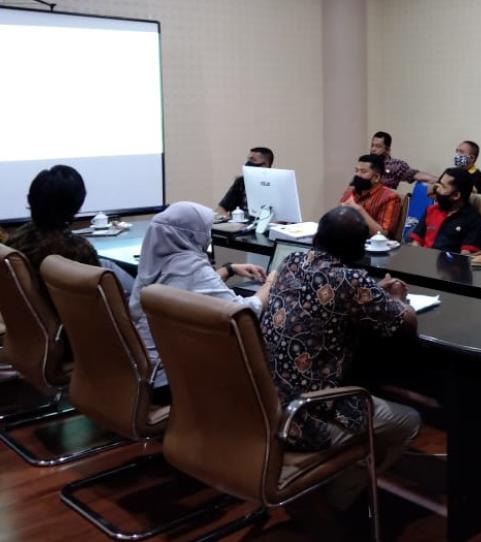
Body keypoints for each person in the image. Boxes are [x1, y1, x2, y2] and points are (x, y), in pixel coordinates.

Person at [260, 206, 420, 522]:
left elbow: (332, 295)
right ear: (360, 251)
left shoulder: (291, 262)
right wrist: (398, 299)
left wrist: (371, 294)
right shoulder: (350, 279)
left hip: (265, 404)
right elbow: (407, 323)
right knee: (409, 421)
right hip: (305, 416)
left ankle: (321, 491)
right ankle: (332, 503)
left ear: (317, 237)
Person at [129, 201, 272, 392]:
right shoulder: (189, 266)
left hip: (144, 372)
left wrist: (229, 269)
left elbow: (189, 292)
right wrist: (271, 283)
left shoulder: (156, 260)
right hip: (168, 379)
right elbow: (242, 314)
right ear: (192, 234)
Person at [6, 165, 134, 296]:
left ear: (30, 199)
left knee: (107, 264)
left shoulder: (18, 237)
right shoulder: (77, 249)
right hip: (75, 306)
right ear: (77, 205)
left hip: (40, 304)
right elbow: (99, 294)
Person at [409, 168, 481, 254]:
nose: (437, 189)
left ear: (456, 195)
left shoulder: (474, 221)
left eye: (443, 186)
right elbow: (416, 242)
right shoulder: (431, 210)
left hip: (449, 262)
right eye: (439, 184)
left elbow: (465, 256)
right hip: (422, 259)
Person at [339, 154, 402, 238]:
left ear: (376, 177)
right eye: (356, 170)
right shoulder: (351, 191)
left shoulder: (390, 198)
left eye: (363, 171)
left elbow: (383, 235)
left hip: (371, 244)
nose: (357, 175)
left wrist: (359, 210)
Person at [215, 146, 274, 217]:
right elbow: (221, 209)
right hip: (240, 223)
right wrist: (226, 219)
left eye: (253, 160)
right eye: (248, 159)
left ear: (265, 165)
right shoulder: (241, 181)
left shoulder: (276, 184)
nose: (248, 163)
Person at [369, 131, 437, 189]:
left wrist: (439, 181)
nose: (373, 149)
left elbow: (414, 174)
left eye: (378, 146)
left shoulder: (395, 165)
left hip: (384, 198)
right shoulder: (366, 162)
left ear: (387, 150)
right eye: (372, 145)